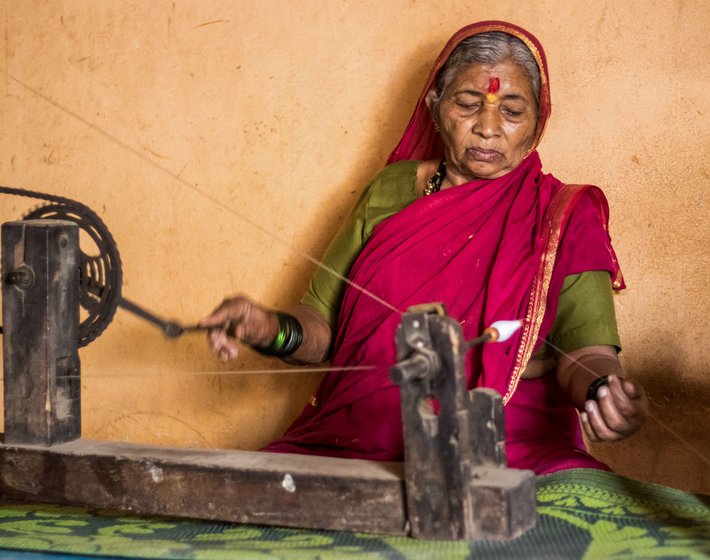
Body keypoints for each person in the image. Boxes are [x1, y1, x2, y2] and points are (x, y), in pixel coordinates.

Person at [201, 21, 648, 474]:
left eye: (512, 111)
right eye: (468, 103)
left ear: (538, 122)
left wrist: (604, 391)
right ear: (436, 107)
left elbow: (587, 353)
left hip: (507, 447)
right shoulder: (390, 189)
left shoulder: (562, 215)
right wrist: (268, 330)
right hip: (354, 440)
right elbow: (320, 329)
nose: (488, 128)